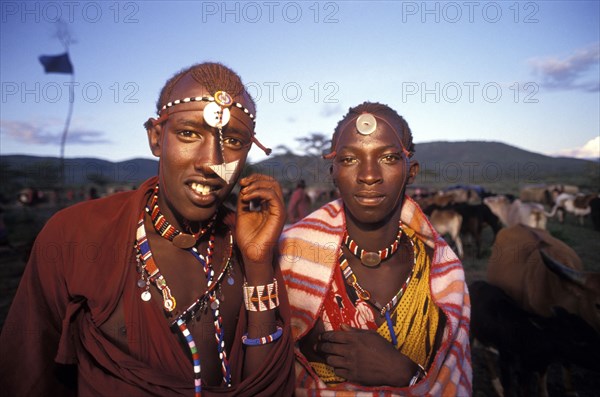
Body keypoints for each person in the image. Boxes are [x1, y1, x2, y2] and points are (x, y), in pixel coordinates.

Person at [0, 62, 295, 396]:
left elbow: (264, 386)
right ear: (157, 138)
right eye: (189, 133)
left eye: (234, 141)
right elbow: (27, 373)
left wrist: (257, 265)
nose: (211, 162)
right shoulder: (77, 234)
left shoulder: (244, 243)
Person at [279, 102, 472, 395]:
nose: (369, 175)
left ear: (411, 172)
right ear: (333, 172)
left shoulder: (443, 273)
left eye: (389, 157)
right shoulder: (290, 259)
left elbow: (451, 382)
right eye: (349, 160)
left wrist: (406, 375)